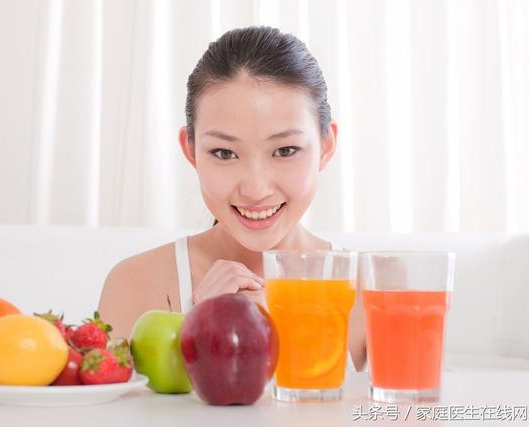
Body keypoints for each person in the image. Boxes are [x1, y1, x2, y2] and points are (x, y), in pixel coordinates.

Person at [98, 26, 366, 371]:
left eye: (285, 150)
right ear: (191, 150)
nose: (255, 189)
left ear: (326, 146)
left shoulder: (370, 291)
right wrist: (199, 331)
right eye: (224, 153)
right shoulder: (134, 285)